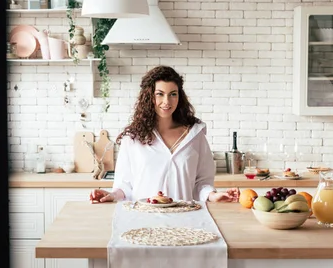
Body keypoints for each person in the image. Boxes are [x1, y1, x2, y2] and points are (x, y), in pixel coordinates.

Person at [89, 66, 239, 204]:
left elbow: (202, 182)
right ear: (149, 97)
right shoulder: (133, 138)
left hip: (185, 220)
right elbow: (124, 185)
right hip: (143, 219)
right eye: (160, 94)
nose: (167, 102)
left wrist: (213, 195)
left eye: (173, 94)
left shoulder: (195, 135)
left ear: (180, 97)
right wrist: (111, 195)